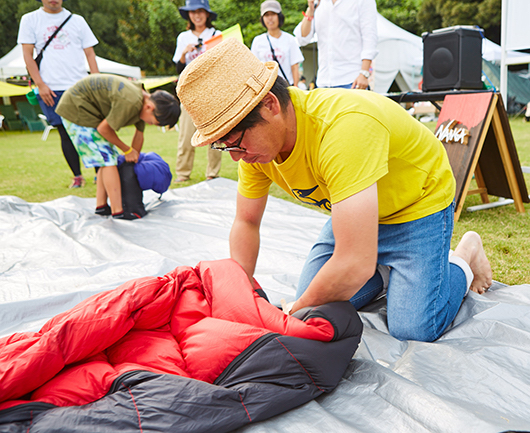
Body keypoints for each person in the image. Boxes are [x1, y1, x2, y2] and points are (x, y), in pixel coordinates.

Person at [176, 39, 493, 342]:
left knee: (413, 327)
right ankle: (383, 270)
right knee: (316, 307)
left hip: (416, 205)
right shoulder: (254, 151)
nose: (234, 156)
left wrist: (291, 315)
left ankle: (464, 256)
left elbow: (353, 261)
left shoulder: (342, 129)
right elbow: (246, 221)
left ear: (270, 105)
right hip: (360, 214)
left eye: (235, 141)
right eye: (224, 145)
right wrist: (240, 297)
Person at [55, 74, 180, 220]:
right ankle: (118, 211)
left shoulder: (141, 101)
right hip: (77, 108)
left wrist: (133, 161)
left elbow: (139, 135)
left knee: (106, 157)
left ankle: (101, 207)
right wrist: (127, 150)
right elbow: (104, 129)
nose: (150, 124)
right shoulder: (131, 102)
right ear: (149, 107)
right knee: (108, 160)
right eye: (153, 122)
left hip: (88, 108)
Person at [17, 0, 100, 188]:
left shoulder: (77, 20)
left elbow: (90, 54)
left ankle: (99, 172)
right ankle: (77, 176)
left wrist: (96, 82)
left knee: (91, 128)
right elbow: (28, 56)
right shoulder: (30, 19)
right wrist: (41, 84)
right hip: (51, 87)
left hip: (80, 85)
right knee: (64, 131)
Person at [171, 0, 222, 183]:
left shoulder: (216, 35)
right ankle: (183, 173)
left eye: (200, 11)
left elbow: (222, 63)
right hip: (189, 92)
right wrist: (185, 53)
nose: (197, 15)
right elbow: (179, 69)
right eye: (193, 12)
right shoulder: (183, 37)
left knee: (216, 134)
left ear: (207, 14)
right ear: (188, 15)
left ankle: (213, 173)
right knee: (185, 135)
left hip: (212, 90)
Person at [296, 0, 378, 89]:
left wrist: (364, 73)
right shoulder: (319, 3)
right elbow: (302, 39)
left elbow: (370, 38)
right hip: (324, 81)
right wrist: (310, 10)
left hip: (352, 80)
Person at [251, 0, 304, 87]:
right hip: (267, 89)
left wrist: (295, 87)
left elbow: (295, 66)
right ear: (262, 19)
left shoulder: (290, 39)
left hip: (286, 87)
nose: (270, 18)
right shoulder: (258, 41)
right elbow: (254, 68)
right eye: (266, 15)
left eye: (273, 14)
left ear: (279, 16)